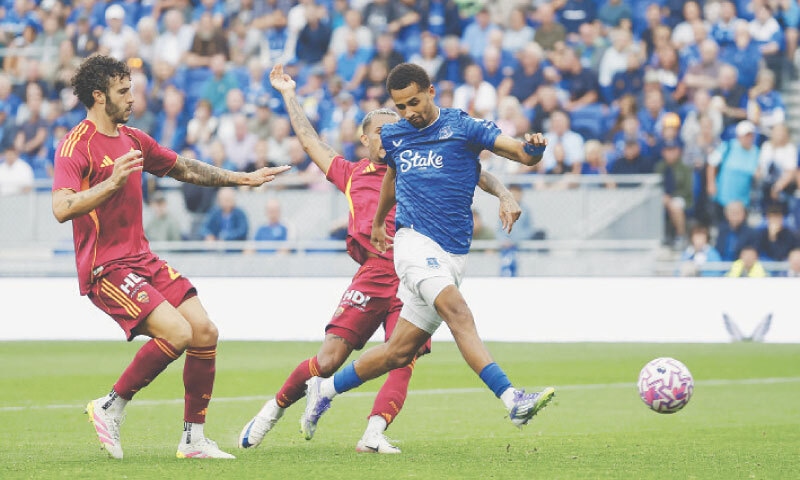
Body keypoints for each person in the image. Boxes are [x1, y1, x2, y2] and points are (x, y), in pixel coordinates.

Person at [239, 63, 524, 453]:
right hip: (374, 274)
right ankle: (272, 410)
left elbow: (471, 169)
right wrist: (290, 94)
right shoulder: (351, 173)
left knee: (401, 357)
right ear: (365, 137)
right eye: (382, 130)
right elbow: (310, 142)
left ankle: (373, 432)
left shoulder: (417, 148)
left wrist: (504, 193)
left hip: (420, 266)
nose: (395, 131)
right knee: (328, 359)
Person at [51, 55, 290, 460]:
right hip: (106, 267)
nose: (132, 97)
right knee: (177, 333)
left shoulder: (133, 139)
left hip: (142, 259)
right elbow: (62, 208)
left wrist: (241, 178)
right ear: (98, 95)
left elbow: (183, 168)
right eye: (123, 91)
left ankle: (193, 439)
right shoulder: (76, 146)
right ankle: (110, 406)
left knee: (204, 332)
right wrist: (111, 183)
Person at [300, 62, 555, 441]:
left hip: (452, 253)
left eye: (415, 102)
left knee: (397, 353)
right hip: (413, 244)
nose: (409, 113)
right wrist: (378, 222)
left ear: (431, 92)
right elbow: (392, 175)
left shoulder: (462, 127)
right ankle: (511, 398)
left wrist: (532, 152)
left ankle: (324, 389)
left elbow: (519, 153)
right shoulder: (398, 135)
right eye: (401, 107)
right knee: (458, 312)